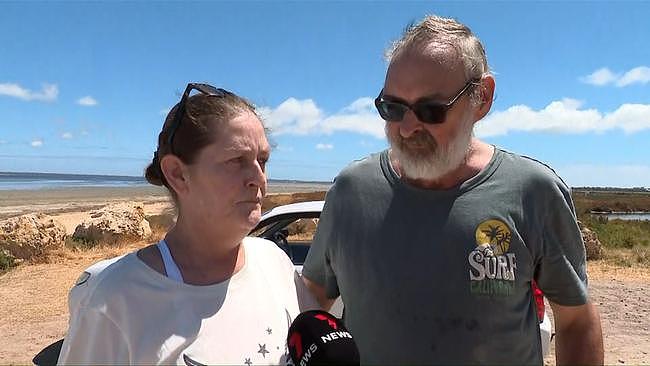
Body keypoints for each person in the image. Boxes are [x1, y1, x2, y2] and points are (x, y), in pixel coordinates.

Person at [302, 15, 604, 365]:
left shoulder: (534, 191)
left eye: (431, 110)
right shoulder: (350, 192)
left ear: (482, 98)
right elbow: (310, 301)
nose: (407, 127)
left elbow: (576, 322)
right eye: (392, 108)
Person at [58, 83, 317, 365]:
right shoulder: (114, 300)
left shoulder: (274, 263)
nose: (258, 178)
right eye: (236, 160)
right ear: (178, 174)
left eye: (262, 160)